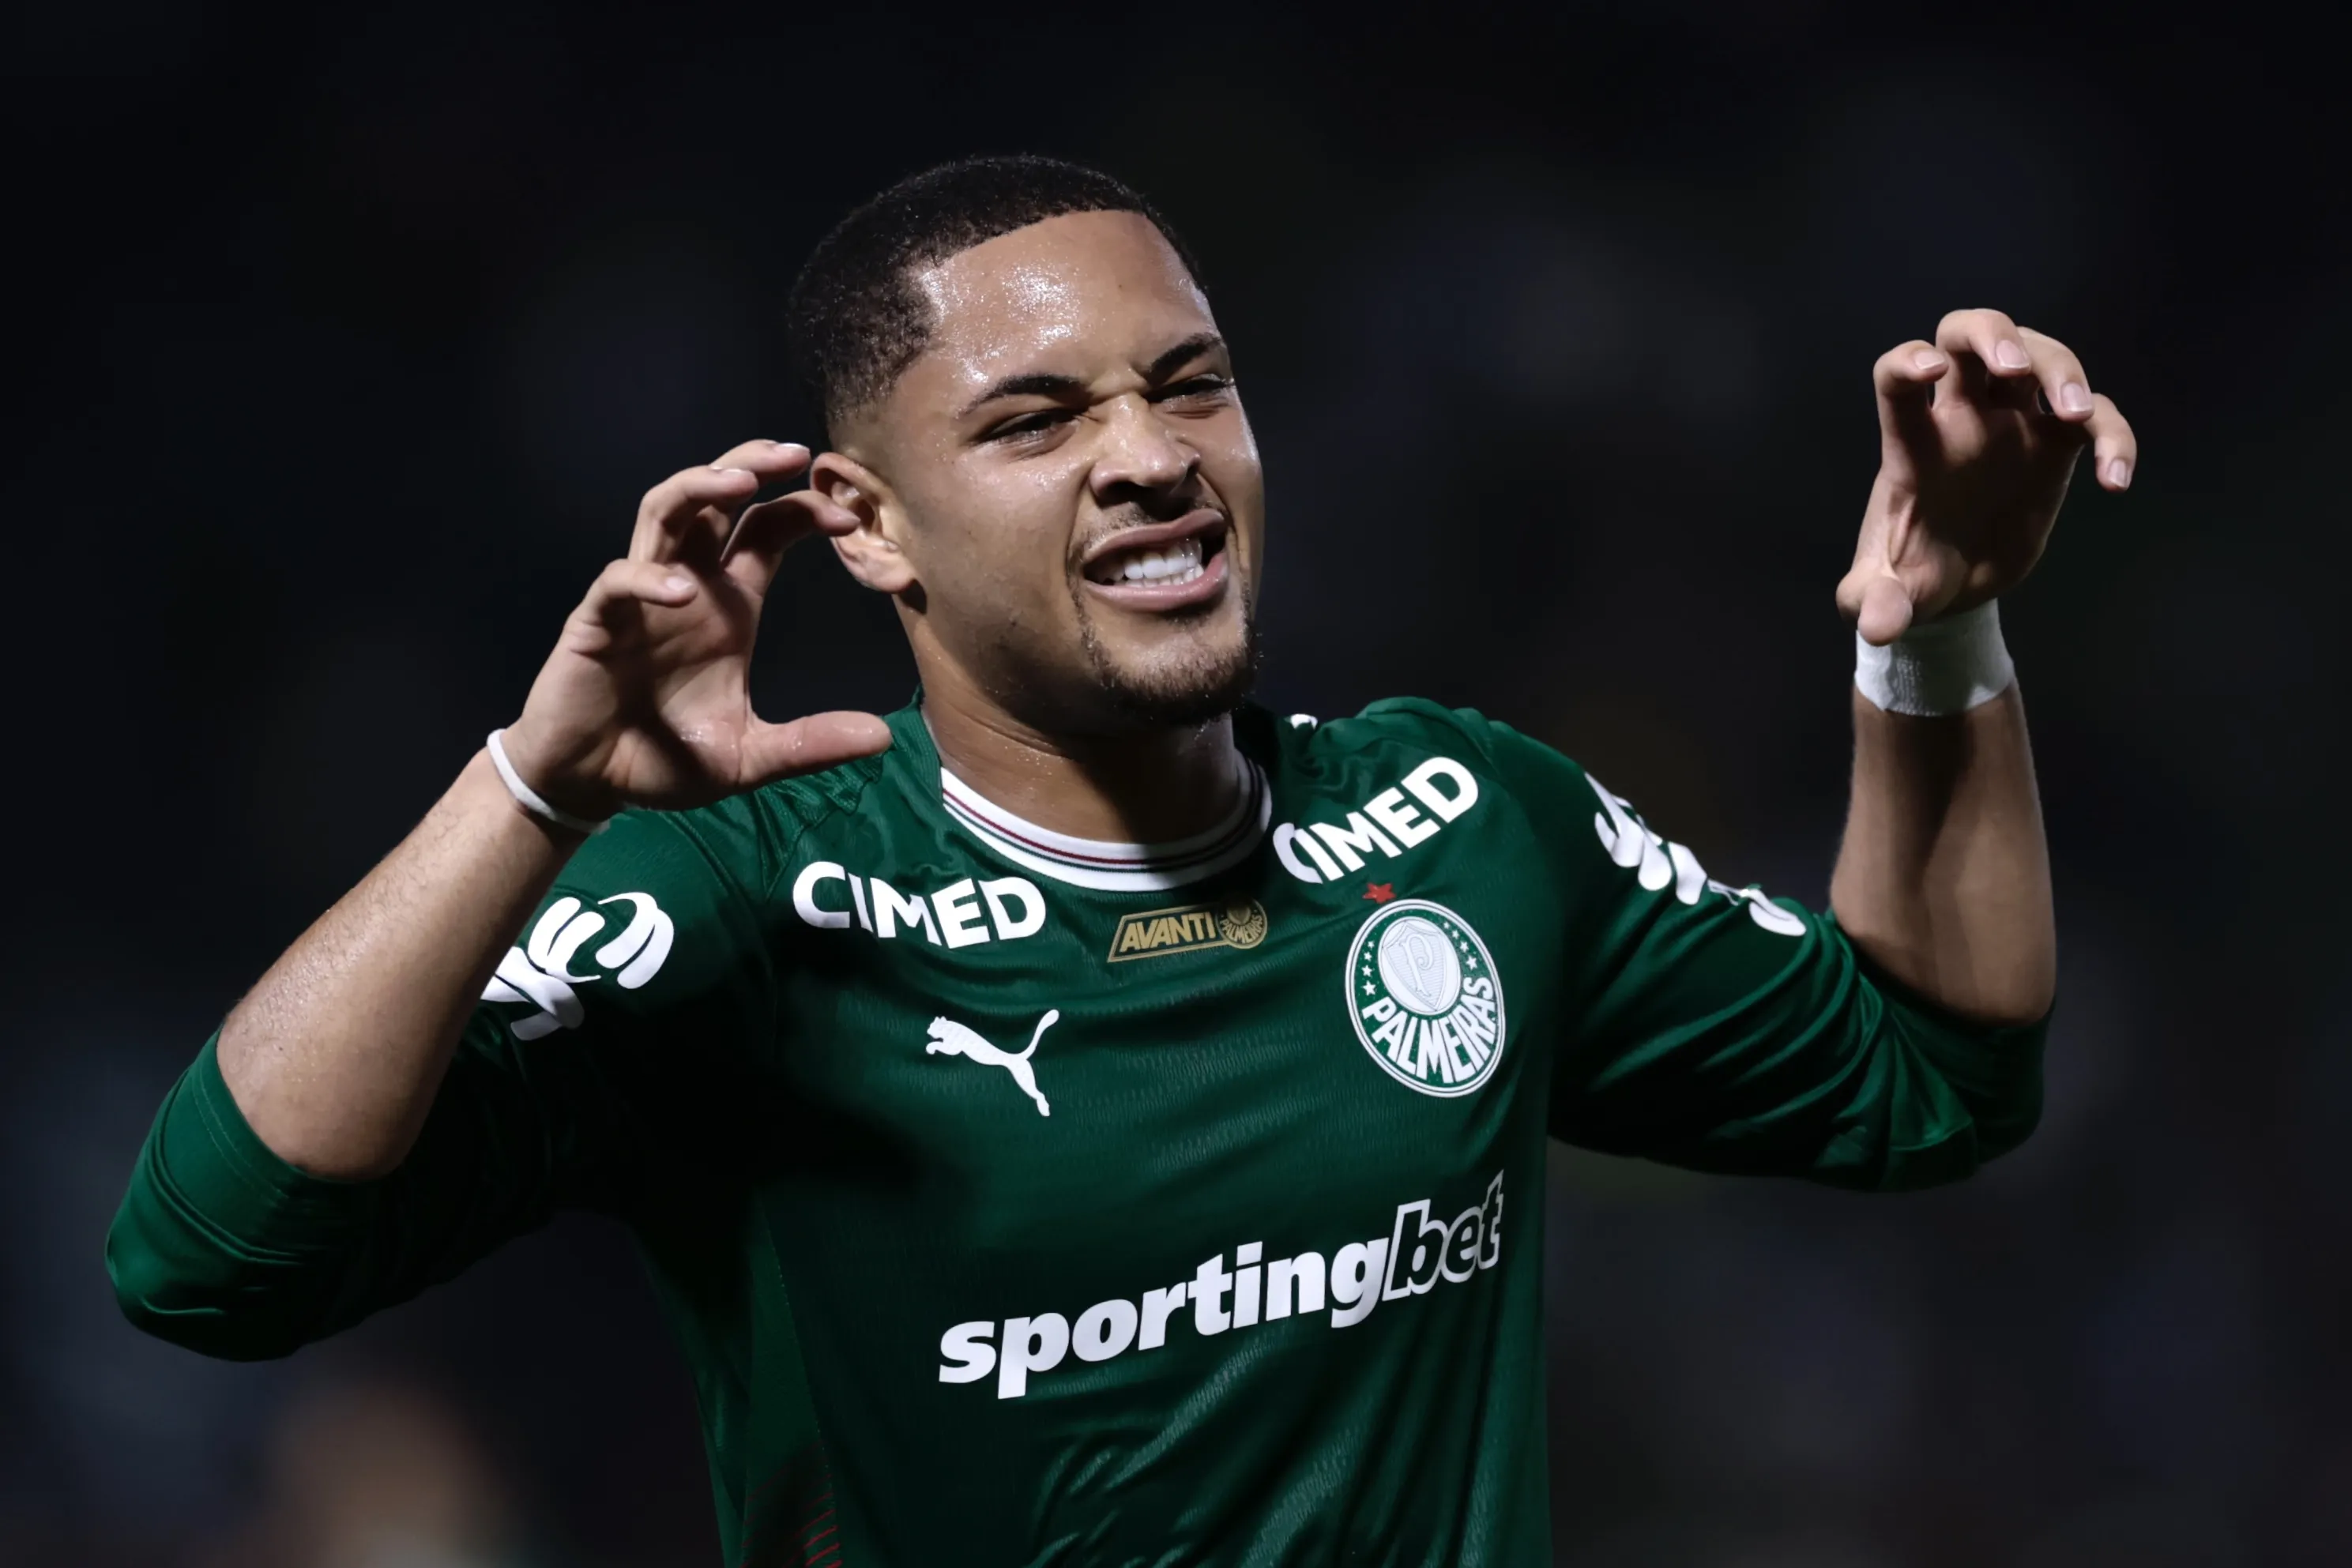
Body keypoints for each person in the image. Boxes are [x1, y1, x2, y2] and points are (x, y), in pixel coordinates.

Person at [107, 156, 2136, 1566]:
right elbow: (207, 1251)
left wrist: (1933, 627)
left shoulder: (1461, 824)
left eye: (1191, 386)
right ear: (866, 524)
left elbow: (1931, 1073)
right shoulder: (762, 906)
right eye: (1036, 419)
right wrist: (532, 788)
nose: (1149, 454)